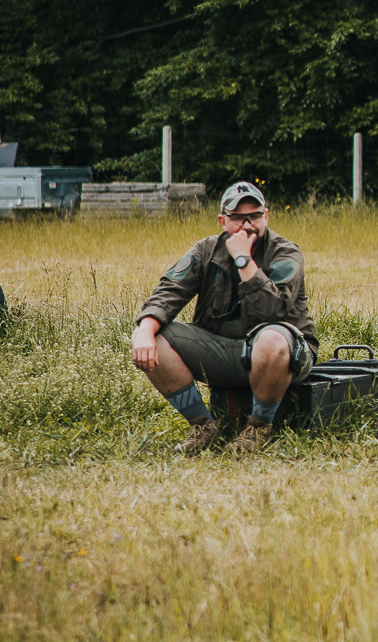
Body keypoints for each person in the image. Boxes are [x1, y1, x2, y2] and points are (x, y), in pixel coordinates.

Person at [129, 180, 317, 454]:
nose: (247, 225)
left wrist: (243, 259)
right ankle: (203, 425)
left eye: (254, 216)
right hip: (224, 351)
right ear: (222, 220)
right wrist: (145, 330)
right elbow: (169, 291)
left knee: (271, 339)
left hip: (282, 354)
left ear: (266, 216)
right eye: (238, 218)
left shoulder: (285, 252)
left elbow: (274, 312)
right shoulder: (206, 251)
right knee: (153, 335)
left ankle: (259, 426)